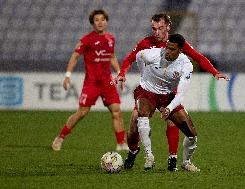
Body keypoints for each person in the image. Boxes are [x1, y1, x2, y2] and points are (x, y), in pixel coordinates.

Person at [114, 14, 229, 171]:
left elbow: (199, 57)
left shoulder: (179, 44)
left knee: (173, 121)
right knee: (135, 122)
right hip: (149, 91)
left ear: (168, 27)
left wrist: (214, 72)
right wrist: (122, 73)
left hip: (168, 92)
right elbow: (129, 59)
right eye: (153, 29)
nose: (156, 32)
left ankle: (173, 159)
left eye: (160, 28)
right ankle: (133, 152)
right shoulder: (146, 44)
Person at [51, 9, 128, 152]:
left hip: (107, 82)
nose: (100, 22)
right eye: (97, 20)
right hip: (92, 83)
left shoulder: (111, 39)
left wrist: (119, 73)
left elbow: (111, 57)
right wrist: (67, 75)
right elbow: (75, 57)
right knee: (82, 112)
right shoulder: (86, 40)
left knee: (117, 111)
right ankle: (60, 137)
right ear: (92, 23)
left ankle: (121, 143)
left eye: (103, 19)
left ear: (106, 22)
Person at [133, 34, 200, 171]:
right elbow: (139, 55)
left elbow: (180, 94)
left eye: (172, 49)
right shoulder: (153, 55)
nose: (167, 51)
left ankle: (186, 161)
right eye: (167, 47)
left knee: (192, 134)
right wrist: (142, 75)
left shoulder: (186, 65)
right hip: (148, 91)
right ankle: (149, 156)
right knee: (142, 113)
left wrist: (169, 109)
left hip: (167, 96)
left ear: (180, 50)